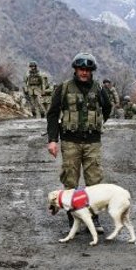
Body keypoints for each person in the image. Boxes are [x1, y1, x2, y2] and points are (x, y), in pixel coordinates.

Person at [46, 52, 112, 233]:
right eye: (81, 69)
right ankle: (73, 219)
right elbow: (52, 114)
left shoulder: (99, 89)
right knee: (70, 181)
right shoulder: (64, 88)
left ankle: (94, 217)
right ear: (75, 69)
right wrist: (52, 140)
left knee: (95, 183)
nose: (84, 72)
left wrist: (96, 123)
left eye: (87, 69)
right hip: (70, 141)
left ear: (92, 71)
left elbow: (107, 108)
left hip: (92, 142)